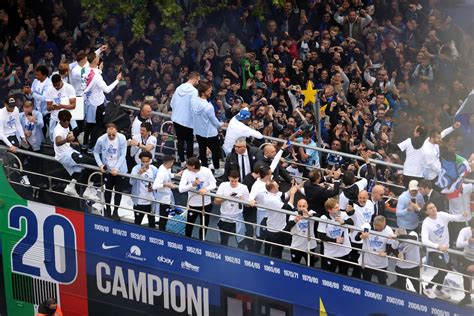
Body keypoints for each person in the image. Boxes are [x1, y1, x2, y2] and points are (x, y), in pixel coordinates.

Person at [421, 202, 468, 300]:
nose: (433, 209)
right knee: (443, 270)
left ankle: (438, 289)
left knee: (445, 271)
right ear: (426, 211)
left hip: (446, 249)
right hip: (434, 249)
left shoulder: (442, 215)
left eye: (434, 207)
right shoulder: (426, 222)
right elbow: (424, 240)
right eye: (430, 208)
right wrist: (438, 246)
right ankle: (428, 287)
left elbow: (456, 218)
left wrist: (463, 215)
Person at [54, 110, 97, 200]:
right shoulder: (58, 129)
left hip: (68, 151)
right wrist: (67, 140)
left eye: (68, 120)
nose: (67, 122)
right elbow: (58, 142)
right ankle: (88, 190)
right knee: (95, 163)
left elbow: (65, 141)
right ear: (60, 120)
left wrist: (72, 143)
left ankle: (71, 187)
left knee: (79, 168)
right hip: (65, 155)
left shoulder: (66, 126)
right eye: (64, 121)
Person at [82, 53, 122, 149]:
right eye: (101, 62)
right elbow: (107, 90)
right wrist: (117, 80)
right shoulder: (97, 77)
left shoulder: (86, 69)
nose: (103, 64)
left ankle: (84, 144)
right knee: (97, 126)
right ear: (97, 62)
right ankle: (91, 147)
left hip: (90, 102)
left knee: (89, 124)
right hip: (97, 105)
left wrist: (99, 50)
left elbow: (89, 60)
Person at [94, 123, 128, 219]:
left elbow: (123, 154)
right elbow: (96, 152)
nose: (111, 137)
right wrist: (100, 164)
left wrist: (116, 168)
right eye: (109, 135)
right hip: (107, 169)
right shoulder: (101, 140)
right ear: (106, 132)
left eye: (113, 134)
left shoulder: (122, 138)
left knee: (118, 191)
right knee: (108, 190)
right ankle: (108, 208)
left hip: (119, 169)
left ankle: (116, 211)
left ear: (116, 131)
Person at [191, 81, 225, 177]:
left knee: (202, 150)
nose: (210, 92)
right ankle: (217, 170)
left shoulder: (194, 101)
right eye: (209, 91)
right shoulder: (208, 107)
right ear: (203, 92)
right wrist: (222, 124)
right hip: (210, 133)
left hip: (198, 132)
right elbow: (215, 122)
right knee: (216, 151)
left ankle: (205, 169)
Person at [178, 157, 217, 239]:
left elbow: (213, 184)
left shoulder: (206, 170)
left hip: (206, 203)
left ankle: (201, 241)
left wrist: (206, 189)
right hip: (193, 204)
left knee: (204, 225)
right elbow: (181, 189)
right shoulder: (186, 172)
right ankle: (187, 240)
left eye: (188, 165)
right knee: (189, 224)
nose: (186, 166)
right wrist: (192, 185)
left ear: (193, 166)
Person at [357, 216, 398, 285]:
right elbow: (357, 237)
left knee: (382, 282)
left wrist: (386, 253)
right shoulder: (367, 227)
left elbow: (391, 246)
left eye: (384, 225)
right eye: (381, 227)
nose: (383, 228)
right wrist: (362, 236)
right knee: (366, 282)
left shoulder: (388, 230)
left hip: (381, 263)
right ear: (375, 225)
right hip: (367, 262)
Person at [318, 198, 354, 276]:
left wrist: (344, 222)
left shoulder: (342, 214)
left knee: (344, 274)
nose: (339, 209)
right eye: (336, 208)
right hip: (331, 253)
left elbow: (351, 222)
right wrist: (335, 240)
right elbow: (321, 236)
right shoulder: (324, 218)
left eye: (338, 207)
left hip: (344, 251)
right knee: (329, 275)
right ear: (330, 210)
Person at [262, 180, 297, 259]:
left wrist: (292, 188)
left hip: (273, 227)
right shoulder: (271, 200)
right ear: (273, 188)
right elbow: (289, 208)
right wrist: (293, 194)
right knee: (276, 252)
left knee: (269, 249)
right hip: (276, 231)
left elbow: (284, 195)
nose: (278, 186)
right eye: (277, 185)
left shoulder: (273, 193)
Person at [171, 71, 199, 165]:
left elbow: (172, 103)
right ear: (194, 79)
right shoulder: (194, 91)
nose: (198, 83)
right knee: (189, 142)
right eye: (198, 80)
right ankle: (190, 163)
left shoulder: (179, 88)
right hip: (188, 121)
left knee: (180, 141)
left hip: (176, 119)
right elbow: (194, 107)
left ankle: (182, 161)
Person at [0, 97, 30, 185]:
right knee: (18, 153)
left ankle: (16, 166)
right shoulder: (1, 114)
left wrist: (23, 137)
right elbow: (1, 134)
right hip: (4, 136)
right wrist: (10, 146)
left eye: (13, 106)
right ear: (5, 105)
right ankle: (23, 177)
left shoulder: (16, 110)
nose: (12, 108)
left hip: (13, 135)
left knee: (25, 152)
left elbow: (18, 124)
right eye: (10, 106)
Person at [214, 170, 249, 246]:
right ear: (229, 178)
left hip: (237, 218)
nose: (233, 183)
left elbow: (248, 205)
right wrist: (227, 197)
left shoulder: (243, 188)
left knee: (241, 242)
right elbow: (216, 201)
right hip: (224, 218)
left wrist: (242, 200)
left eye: (235, 181)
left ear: (238, 179)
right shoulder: (223, 185)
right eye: (232, 181)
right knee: (223, 241)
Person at [346, 190, 375, 279]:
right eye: (360, 198)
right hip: (356, 237)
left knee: (366, 259)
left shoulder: (370, 204)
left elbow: (372, 217)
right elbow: (350, 212)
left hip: (367, 237)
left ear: (368, 198)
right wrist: (349, 210)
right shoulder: (354, 206)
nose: (362, 200)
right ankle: (355, 278)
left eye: (364, 198)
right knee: (355, 261)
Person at [130, 151, 158, 228]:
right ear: (140, 160)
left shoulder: (154, 169)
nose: (145, 163)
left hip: (151, 201)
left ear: (150, 160)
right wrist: (138, 173)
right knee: (137, 223)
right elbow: (131, 182)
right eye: (143, 161)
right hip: (139, 201)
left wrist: (153, 187)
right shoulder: (136, 168)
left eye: (147, 161)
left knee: (152, 223)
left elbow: (158, 182)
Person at [249, 165, 273, 254]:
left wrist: (281, 150)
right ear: (266, 175)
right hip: (262, 214)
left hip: (271, 213)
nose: (272, 174)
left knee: (270, 236)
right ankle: (256, 255)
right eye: (271, 173)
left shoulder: (269, 180)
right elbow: (251, 197)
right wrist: (251, 201)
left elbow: (274, 163)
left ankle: (268, 255)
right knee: (260, 236)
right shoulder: (257, 185)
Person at [45, 73, 77, 141]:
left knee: (69, 139)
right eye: (54, 85)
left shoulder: (69, 88)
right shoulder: (49, 90)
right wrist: (52, 107)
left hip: (67, 119)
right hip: (55, 118)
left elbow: (73, 105)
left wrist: (62, 106)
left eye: (58, 85)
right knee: (54, 140)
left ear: (61, 81)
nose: (56, 87)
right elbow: (48, 107)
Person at [287, 198, 318, 266]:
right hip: (296, 245)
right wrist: (295, 220)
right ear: (297, 207)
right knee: (295, 265)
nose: (301, 208)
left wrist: (309, 215)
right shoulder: (293, 214)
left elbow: (319, 216)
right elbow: (287, 228)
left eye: (303, 206)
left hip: (309, 246)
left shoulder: (311, 213)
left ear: (307, 206)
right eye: (300, 206)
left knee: (310, 265)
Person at [152, 155, 180, 231]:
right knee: (163, 217)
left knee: (165, 216)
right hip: (163, 199)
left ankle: (162, 228)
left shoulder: (165, 168)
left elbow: (168, 175)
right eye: (172, 163)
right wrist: (166, 184)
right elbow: (155, 186)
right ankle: (162, 230)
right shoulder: (161, 173)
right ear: (169, 163)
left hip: (167, 196)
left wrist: (175, 175)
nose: (173, 164)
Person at [455, 221, 474, 306]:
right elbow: (458, 244)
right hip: (467, 257)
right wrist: (468, 242)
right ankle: (467, 297)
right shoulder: (465, 230)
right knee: (466, 278)